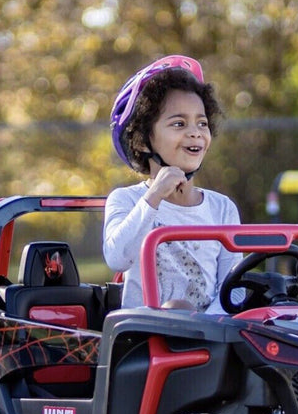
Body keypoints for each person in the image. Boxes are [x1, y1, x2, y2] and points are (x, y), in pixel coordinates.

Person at [103, 55, 241, 313]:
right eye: (179, 123)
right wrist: (154, 196)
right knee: (176, 308)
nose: (195, 132)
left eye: (202, 123)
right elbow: (117, 257)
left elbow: (233, 289)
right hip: (142, 340)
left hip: (208, 340)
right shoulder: (126, 200)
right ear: (143, 140)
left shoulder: (222, 208)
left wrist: (207, 328)